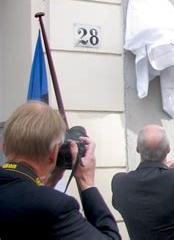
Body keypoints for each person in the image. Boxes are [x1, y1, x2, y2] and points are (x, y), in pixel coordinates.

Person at [0, 101, 120, 239]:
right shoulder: (56, 206)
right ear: (53, 153)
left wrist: (49, 183)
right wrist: (86, 182)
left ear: (3, 147)